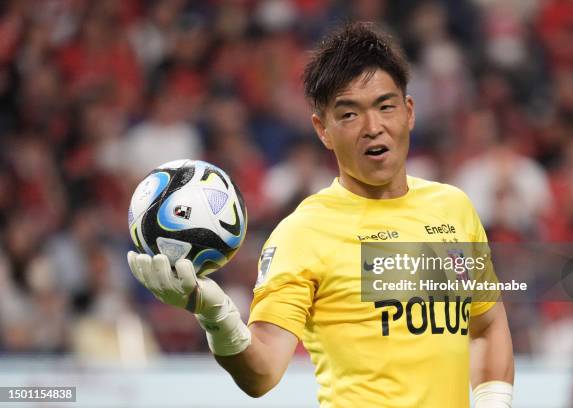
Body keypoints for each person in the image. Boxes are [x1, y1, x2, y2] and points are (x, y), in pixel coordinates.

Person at [127, 22, 514, 407]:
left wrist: (494, 401)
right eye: (349, 115)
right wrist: (216, 316)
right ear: (322, 129)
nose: (373, 127)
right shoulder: (304, 233)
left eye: (386, 106)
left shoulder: (454, 208)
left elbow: (487, 325)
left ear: (409, 112)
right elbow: (261, 373)